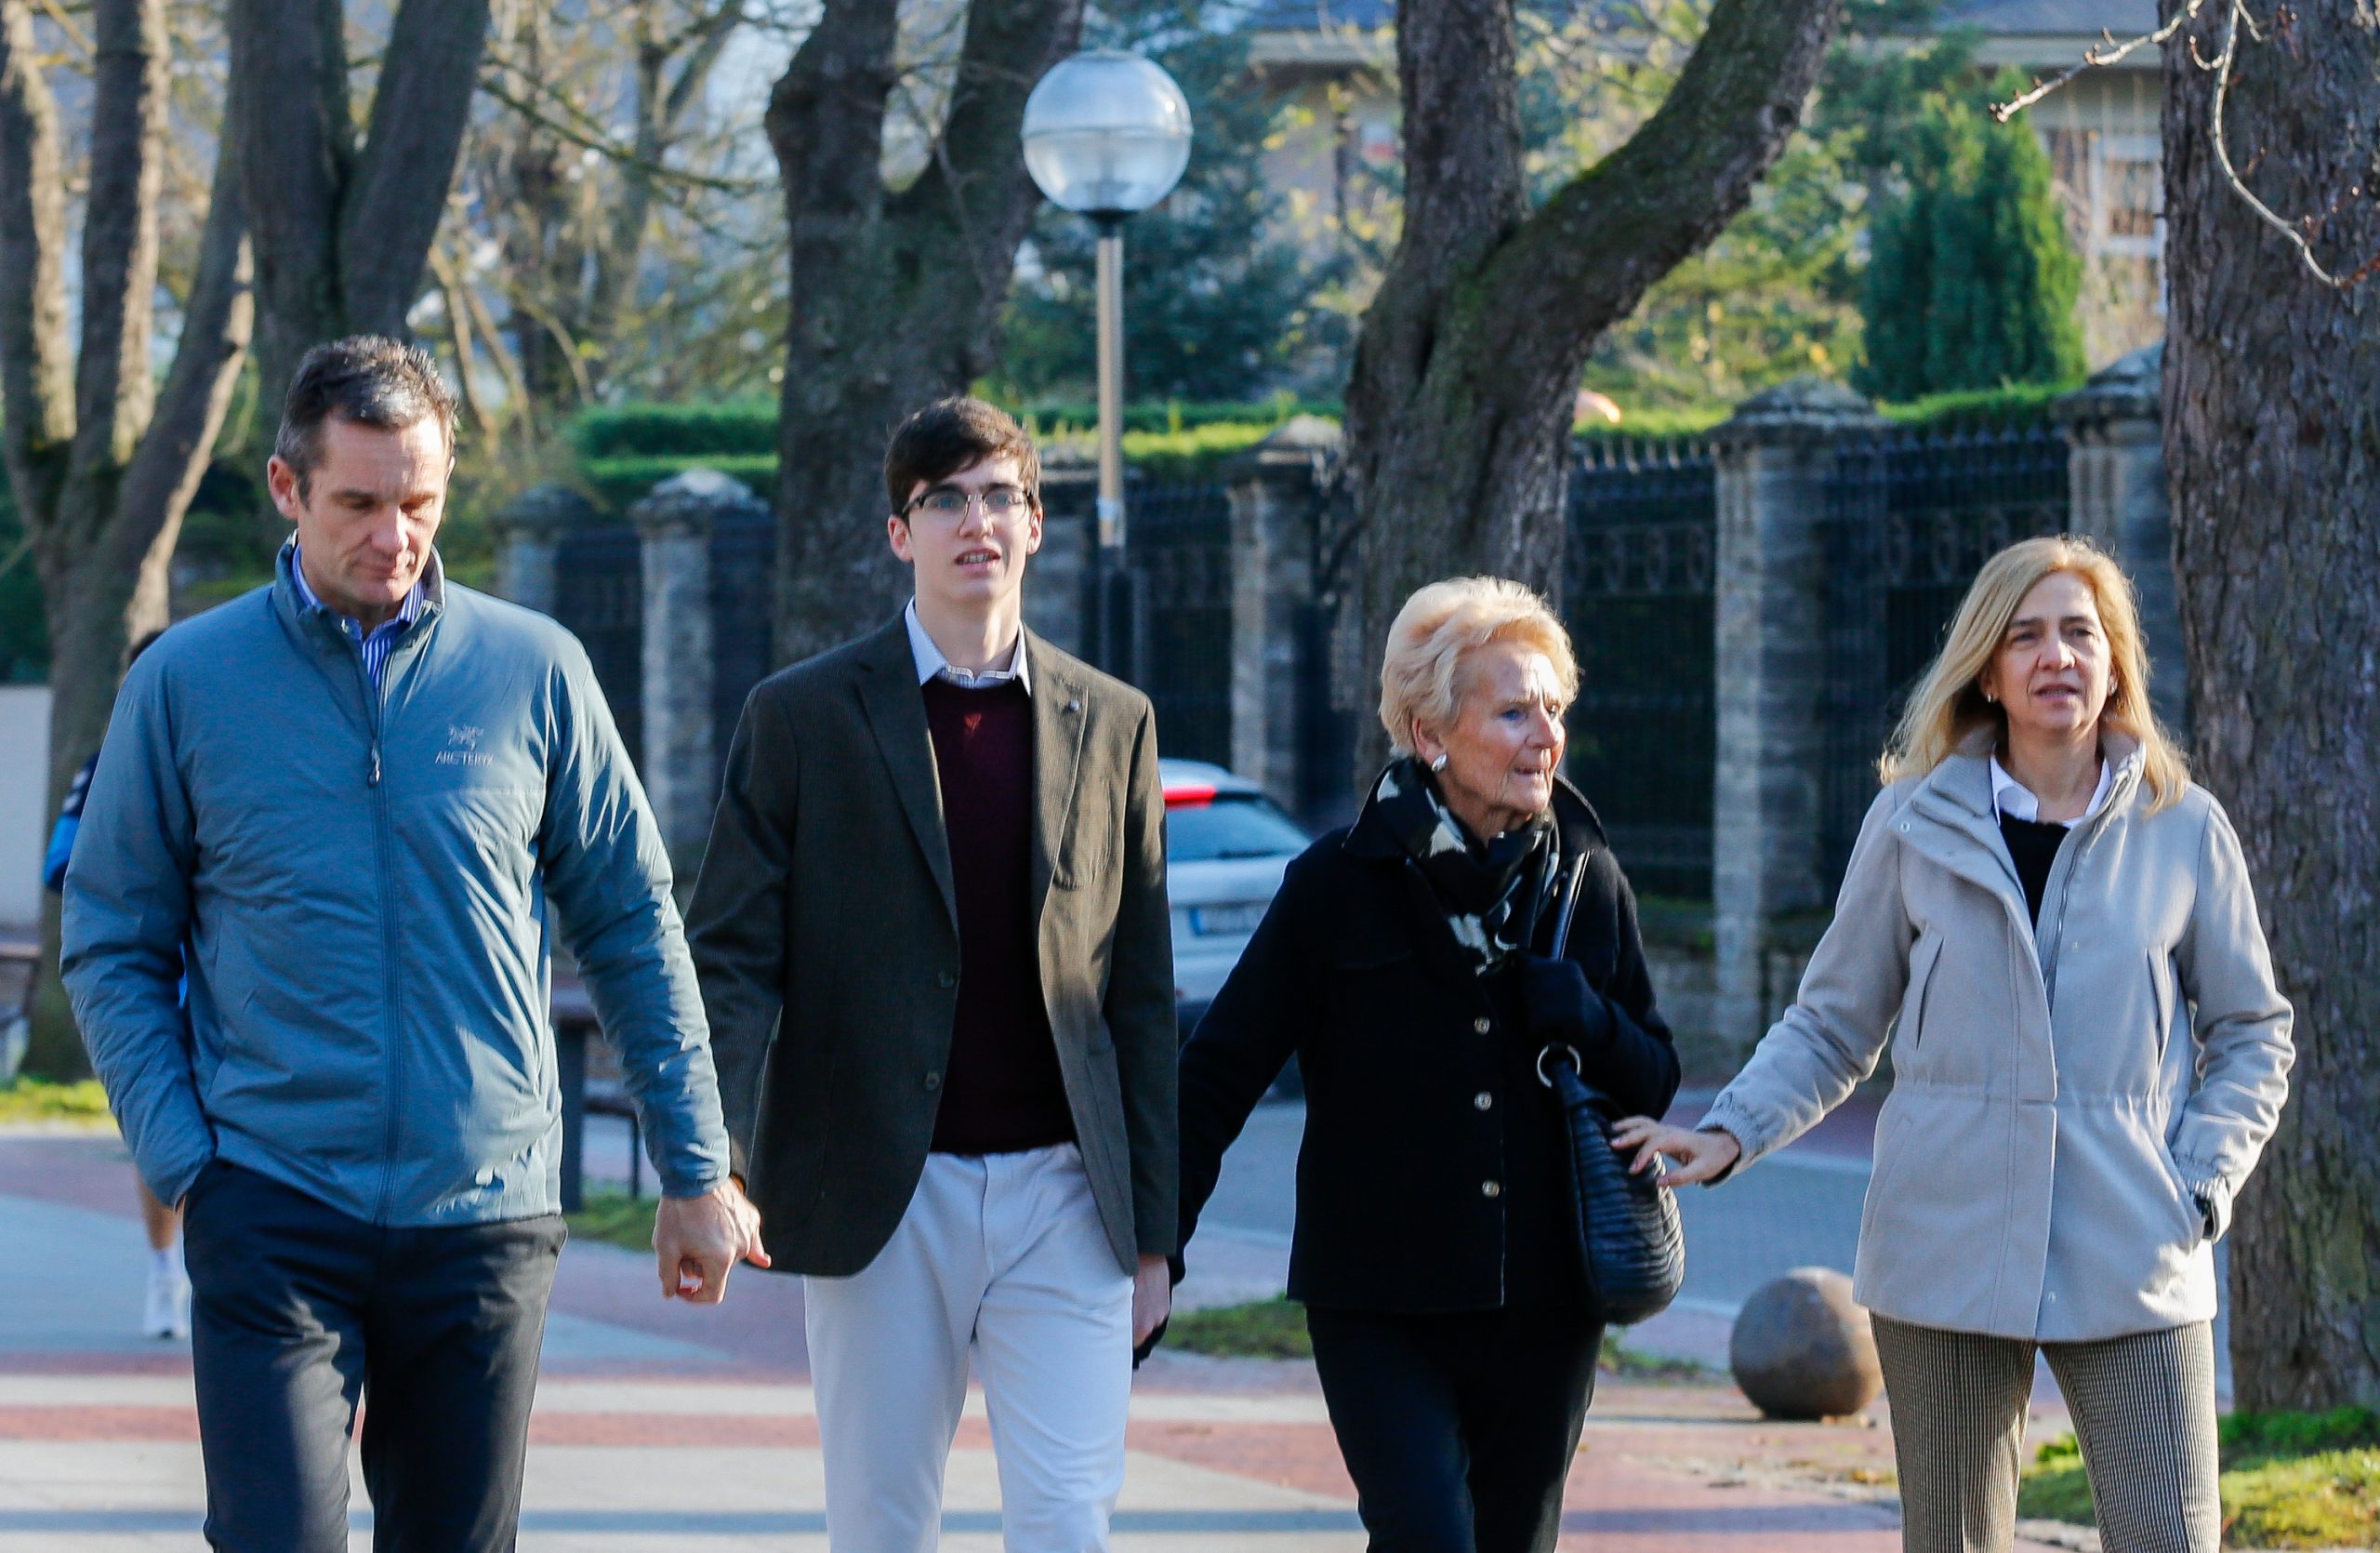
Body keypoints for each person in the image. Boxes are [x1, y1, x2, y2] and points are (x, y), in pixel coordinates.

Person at [61, 336, 766, 1553]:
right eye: (361, 502)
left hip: (483, 1212)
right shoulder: (183, 682)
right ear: (290, 488)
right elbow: (111, 936)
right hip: (271, 1198)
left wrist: (695, 1168)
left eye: (422, 502)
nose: (395, 535)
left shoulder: (535, 668)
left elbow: (633, 923)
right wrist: (188, 1160)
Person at [1614, 535, 2294, 1553]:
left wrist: (2197, 1179)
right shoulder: (1909, 822)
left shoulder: (2180, 826)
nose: (2055, 656)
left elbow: (2251, 1032)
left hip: (2135, 1237)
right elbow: (1835, 1019)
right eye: (2026, 637)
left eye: (2079, 633)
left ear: (2115, 661)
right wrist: (1730, 1130)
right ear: (1987, 666)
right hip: (1943, 1238)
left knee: (2169, 1537)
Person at [687, 396, 1177, 1552]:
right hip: (880, 1194)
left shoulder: (1114, 723)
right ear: (900, 533)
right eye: (944, 499)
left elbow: (1139, 996)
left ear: (1036, 523)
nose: (977, 522)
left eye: (1000, 495)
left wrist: (1157, 1230)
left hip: (1069, 1196)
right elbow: (732, 962)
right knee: (882, 1525)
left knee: (1066, 1522)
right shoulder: (801, 716)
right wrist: (719, 1164)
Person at [1176, 577, 1681, 1553]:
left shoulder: (1586, 876)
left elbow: (1653, 1076)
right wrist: (1160, 1245)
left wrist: (1587, 1015)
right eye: (1512, 710)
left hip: (1545, 1302)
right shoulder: (1337, 883)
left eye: (1552, 709)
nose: (1545, 736)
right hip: (1377, 1299)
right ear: (1430, 734)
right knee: (1424, 1540)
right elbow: (1220, 1070)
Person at [46, 632, 190, 1340]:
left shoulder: (250, 750)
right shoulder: (105, 765)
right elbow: (66, 868)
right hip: (165, 989)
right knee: (164, 1135)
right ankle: (167, 1269)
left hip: (247, 993)